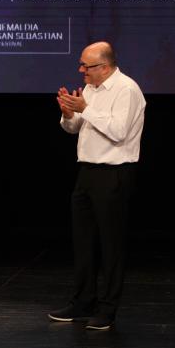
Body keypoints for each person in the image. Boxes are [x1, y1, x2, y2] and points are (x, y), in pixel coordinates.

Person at [48, 41, 146, 331]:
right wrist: (69, 113)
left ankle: (108, 308)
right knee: (83, 241)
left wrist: (85, 109)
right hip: (87, 171)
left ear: (104, 67)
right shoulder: (90, 89)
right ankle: (83, 301)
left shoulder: (126, 89)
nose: (81, 71)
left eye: (85, 66)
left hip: (114, 173)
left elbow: (118, 131)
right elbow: (74, 127)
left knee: (111, 244)